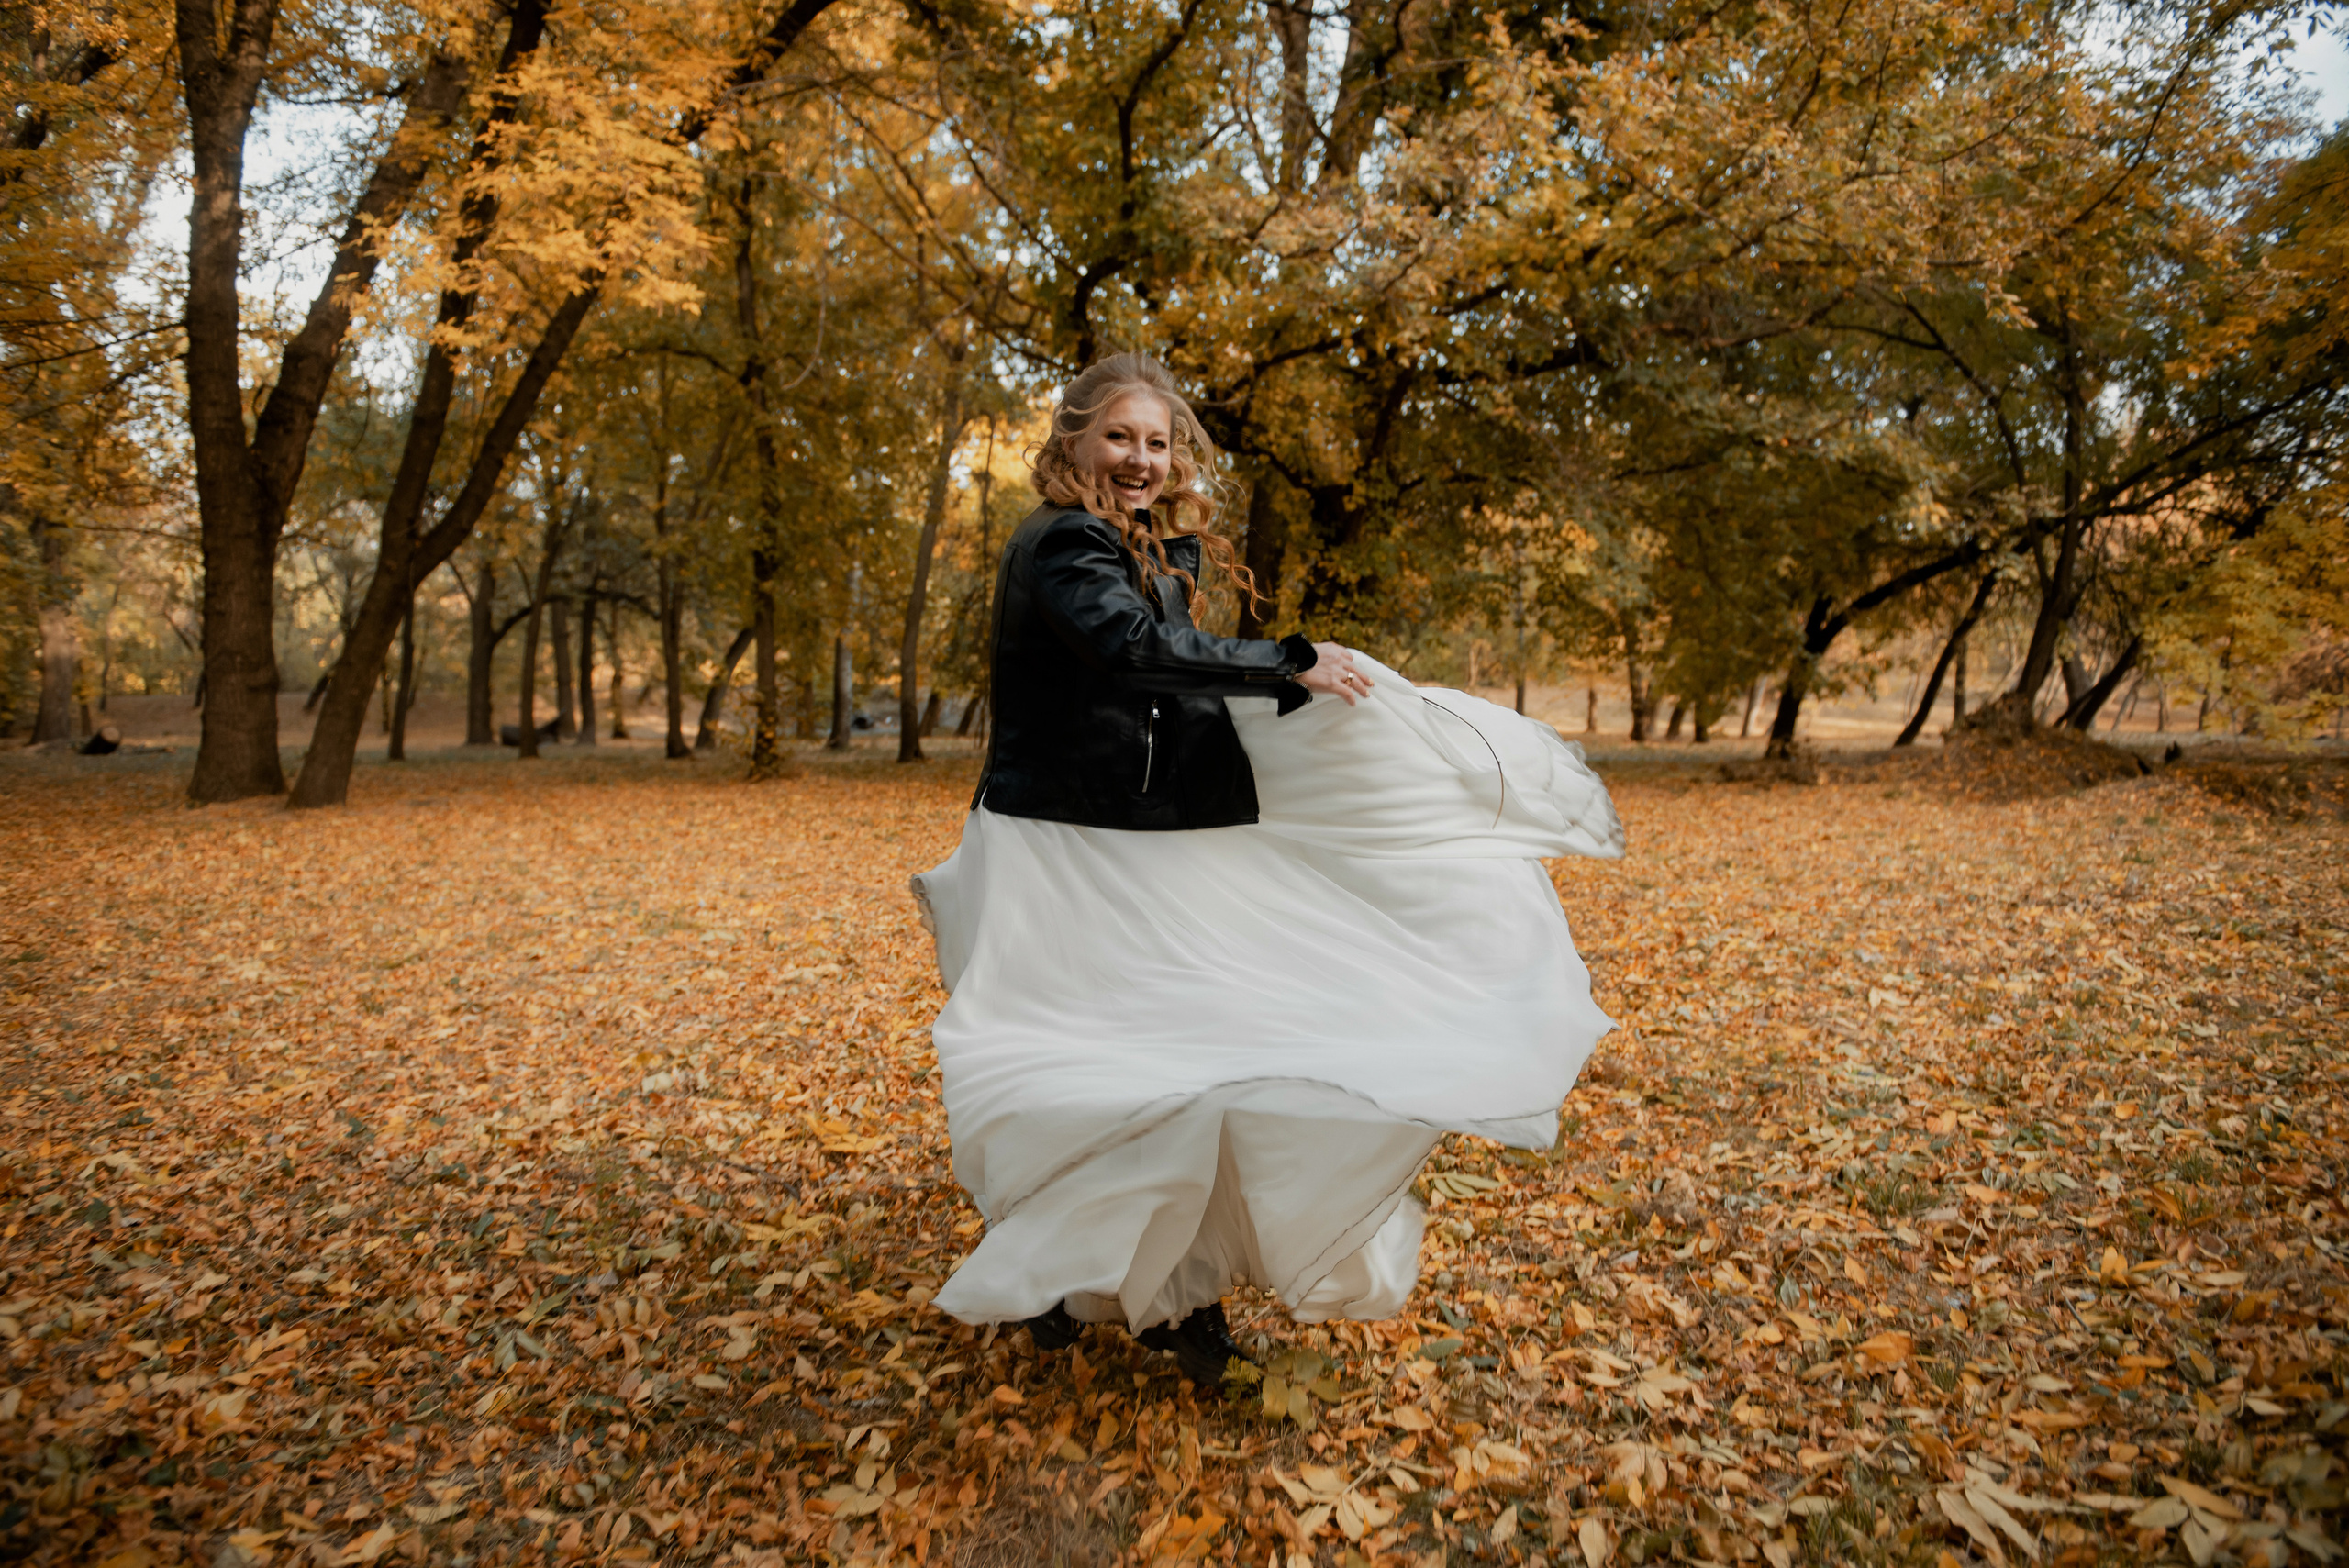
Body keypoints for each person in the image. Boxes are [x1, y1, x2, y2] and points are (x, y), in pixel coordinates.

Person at [913, 353, 1622, 1387]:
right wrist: (1283, 658)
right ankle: (1094, 1273)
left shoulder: (1157, 546)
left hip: (1145, 832)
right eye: (1119, 437)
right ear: (1071, 441)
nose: (1140, 459)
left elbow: (1177, 679)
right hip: (1064, 842)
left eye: (1158, 441)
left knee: (1185, 1051)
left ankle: (1147, 1284)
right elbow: (1133, 651)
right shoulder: (1063, 542)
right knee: (1113, 1060)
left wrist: (1305, 697)